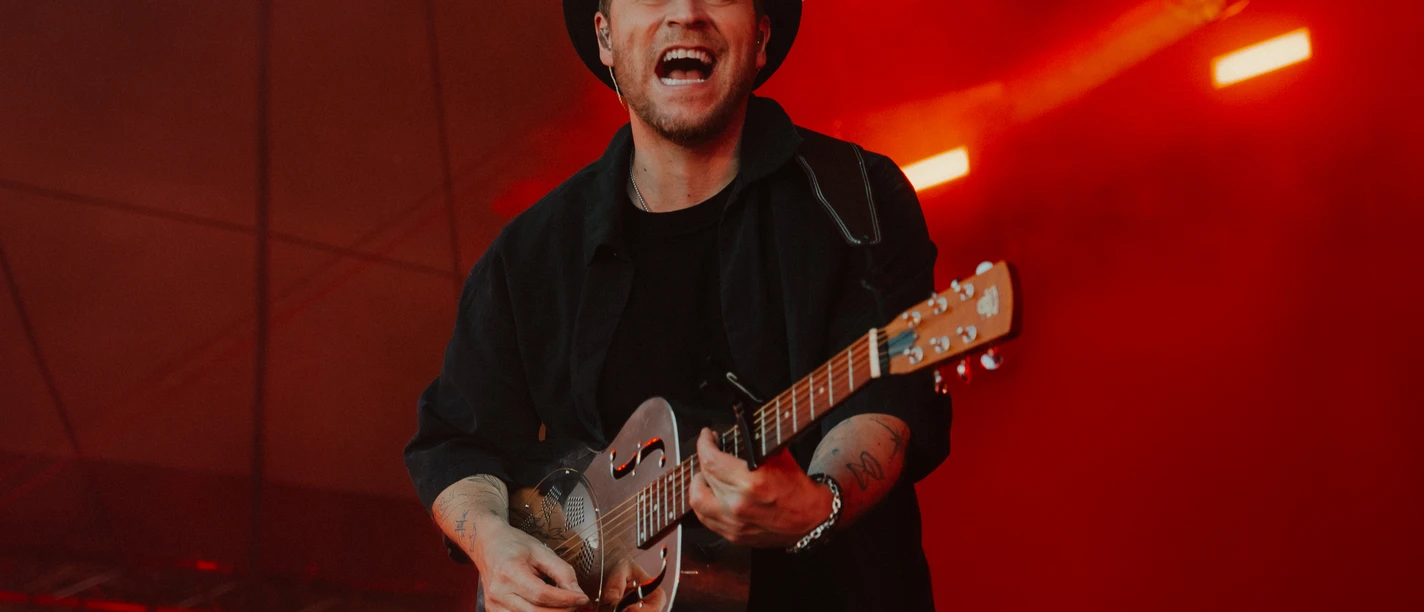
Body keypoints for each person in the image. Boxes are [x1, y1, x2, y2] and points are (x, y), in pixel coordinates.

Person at [404, 1, 951, 610]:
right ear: (606, 38)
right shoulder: (532, 251)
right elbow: (455, 440)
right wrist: (495, 547)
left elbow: (886, 394)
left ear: (762, 36)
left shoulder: (856, 198)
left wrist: (818, 504)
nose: (686, 12)